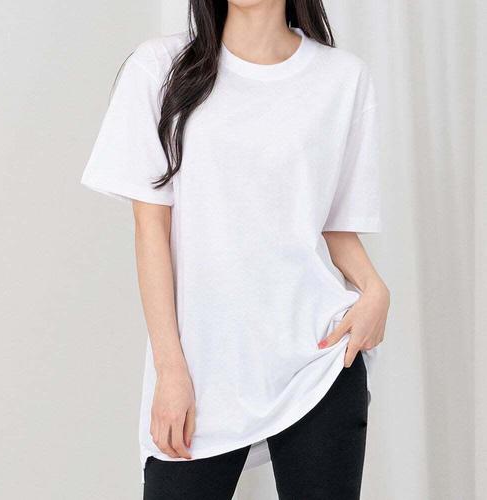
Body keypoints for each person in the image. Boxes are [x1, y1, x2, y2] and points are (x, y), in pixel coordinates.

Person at [81, 1, 390, 498]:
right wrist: (170, 370)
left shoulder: (342, 78)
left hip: (318, 361)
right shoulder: (160, 67)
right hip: (200, 372)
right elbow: (150, 229)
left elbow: (332, 224)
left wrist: (375, 290)